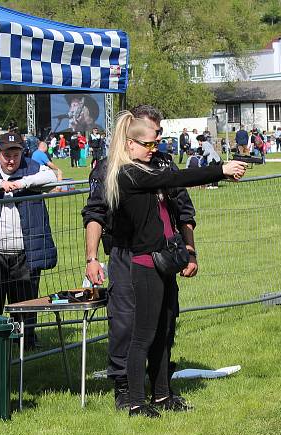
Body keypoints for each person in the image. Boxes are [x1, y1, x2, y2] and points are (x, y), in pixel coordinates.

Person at [100, 110, 247, 417]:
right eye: (149, 145)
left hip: (163, 261)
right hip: (145, 264)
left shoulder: (146, 168)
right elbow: (177, 177)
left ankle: (163, 396)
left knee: (165, 328)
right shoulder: (129, 175)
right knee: (143, 335)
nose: (154, 150)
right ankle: (138, 402)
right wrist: (220, 169)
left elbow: (173, 185)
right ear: (129, 144)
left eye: (156, 144)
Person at [83, 105, 200, 412]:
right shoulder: (110, 169)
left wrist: (190, 250)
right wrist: (92, 257)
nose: (157, 139)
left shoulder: (163, 163)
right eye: (152, 133)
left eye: (159, 133)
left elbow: (184, 211)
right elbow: (95, 213)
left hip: (162, 253)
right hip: (124, 252)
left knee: (165, 319)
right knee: (126, 322)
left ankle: (162, 388)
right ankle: (125, 389)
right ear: (133, 133)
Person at [0, 133, 58, 347]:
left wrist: (22, 182)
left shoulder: (31, 167)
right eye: (7, 155)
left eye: (16, 154)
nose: (12, 160)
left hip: (24, 252)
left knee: (26, 304)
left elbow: (51, 178)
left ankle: (26, 343)